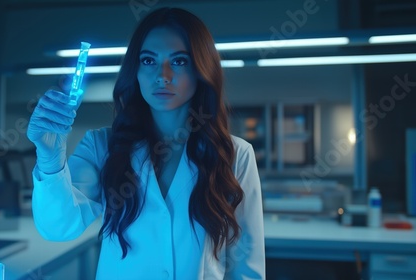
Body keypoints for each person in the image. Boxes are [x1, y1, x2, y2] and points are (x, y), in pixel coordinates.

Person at [27, 7, 265, 280]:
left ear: (201, 70)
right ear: (135, 71)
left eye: (179, 61)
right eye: (149, 61)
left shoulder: (235, 155)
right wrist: (49, 158)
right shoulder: (102, 146)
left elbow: (246, 267)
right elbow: (58, 228)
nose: (162, 75)